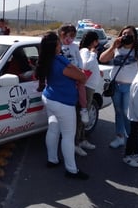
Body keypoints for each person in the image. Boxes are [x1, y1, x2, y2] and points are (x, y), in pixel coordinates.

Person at [36, 31, 89, 180]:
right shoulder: (59, 62)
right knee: (68, 135)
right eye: (59, 43)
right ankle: (71, 170)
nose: (62, 45)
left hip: (49, 98)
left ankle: (52, 159)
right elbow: (82, 76)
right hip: (63, 102)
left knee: (53, 129)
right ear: (55, 46)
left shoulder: (46, 59)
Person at [99, 26, 138, 149]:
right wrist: (113, 46)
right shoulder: (117, 48)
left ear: (135, 37)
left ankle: (131, 139)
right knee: (118, 112)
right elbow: (102, 58)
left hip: (130, 87)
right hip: (116, 85)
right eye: (124, 33)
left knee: (128, 115)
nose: (126, 36)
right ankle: (119, 137)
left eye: (130, 34)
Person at [58, 25, 90, 156]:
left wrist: (81, 70)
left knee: (81, 87)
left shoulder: (75, 46)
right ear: (60, 34)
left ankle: (84, 109)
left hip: (75, 71)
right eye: (66, 36)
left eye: (71, 36)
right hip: (65, 74)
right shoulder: (57, 46)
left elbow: (80, 60)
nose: (68, 39)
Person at [75, 31, 102, 155]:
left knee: (82, 116)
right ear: (94, 41)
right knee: (81, 115)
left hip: (89, 86)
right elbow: (86, 65)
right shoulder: (86, 51)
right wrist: (93, 54)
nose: (98, 43)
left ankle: (81, 139)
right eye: (97, 41)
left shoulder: (86, 51)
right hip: (86, 87)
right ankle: (76, 143)